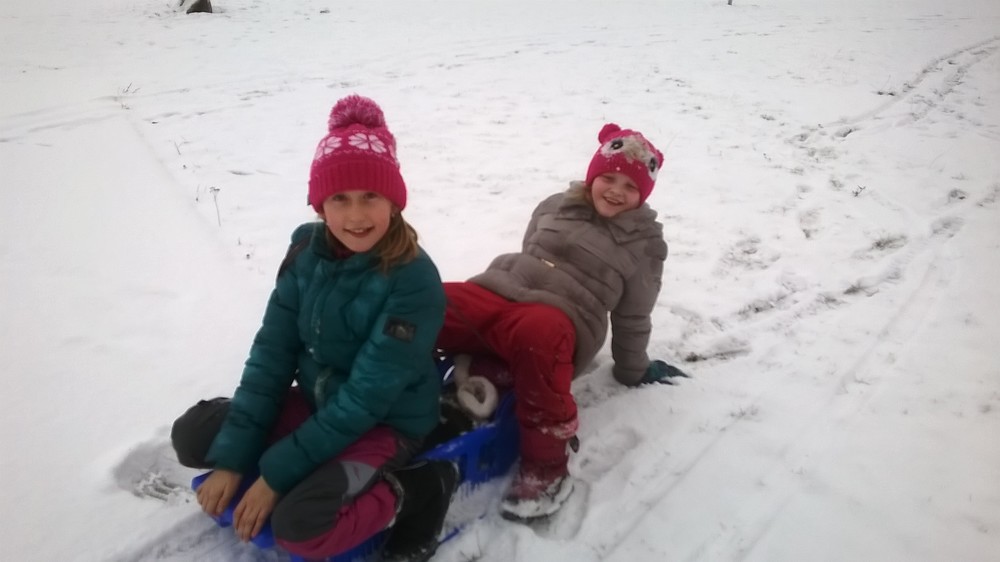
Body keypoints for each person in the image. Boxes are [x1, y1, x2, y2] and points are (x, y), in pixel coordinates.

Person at [170, 95, 457, 562]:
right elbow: (273, 352)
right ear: (320, 204)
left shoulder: (413, 280)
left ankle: (424, 488)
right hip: (318, 402)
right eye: (339, 198)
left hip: (385, 423)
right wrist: (233, 457)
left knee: (300, 527)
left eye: (370, 196)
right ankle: (283, 453)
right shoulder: (306, 251)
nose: (356, 216)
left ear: (394, 201)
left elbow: (365, 399)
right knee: (193, 436)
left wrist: (274, 475)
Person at [436, 122, 688, 521]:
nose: (616, 191)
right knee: (425, 301)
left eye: (630, 186)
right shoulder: (556, 204)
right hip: (499, 292)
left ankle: (547, 470)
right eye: (608, 178)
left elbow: (634, 316)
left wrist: (633, 369)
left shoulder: (646, 246)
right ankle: (381, 390)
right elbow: (529, 249)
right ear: (592, 175)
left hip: (561, 320)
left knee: (538, 332)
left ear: (644, 195)